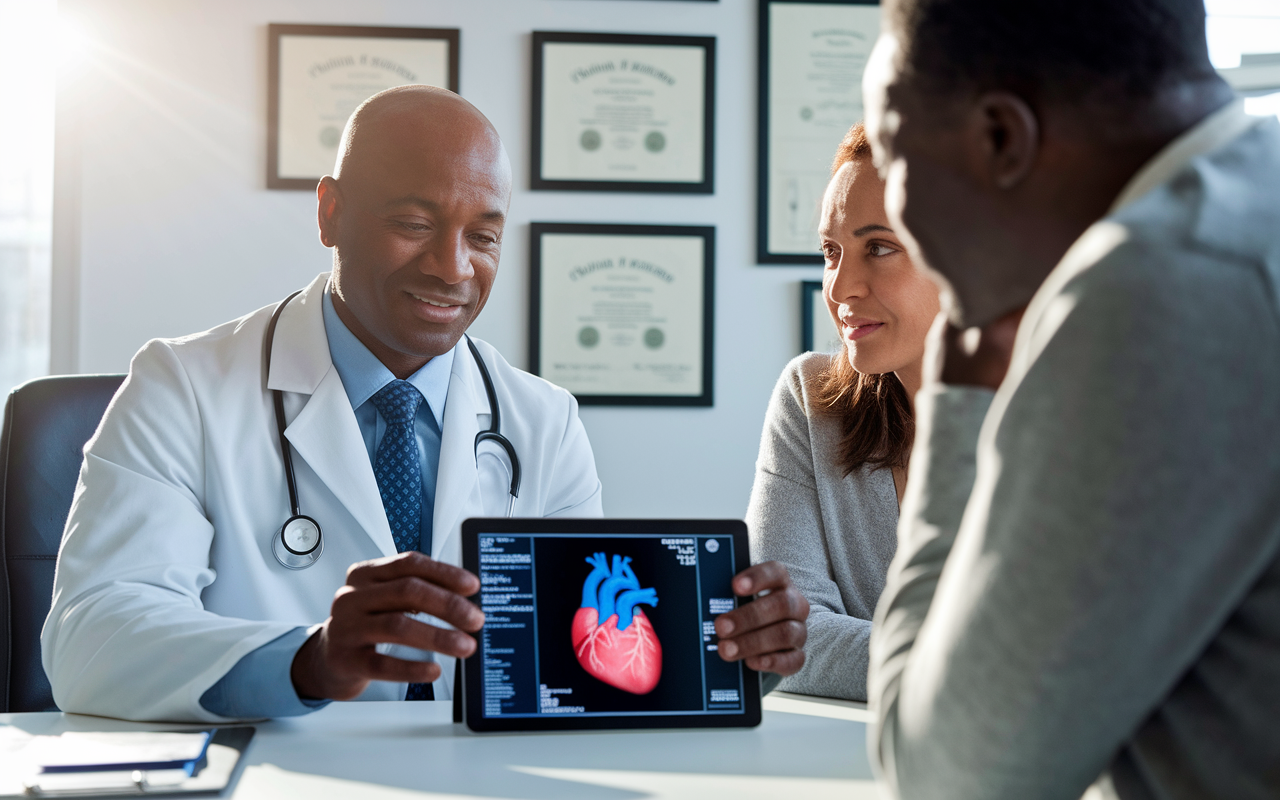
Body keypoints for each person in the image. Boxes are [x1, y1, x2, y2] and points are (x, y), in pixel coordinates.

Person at [42, 86, 808, 723]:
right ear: (330, 213)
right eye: (414, 225)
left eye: (483, 236)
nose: (452, 267)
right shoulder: (182, 388)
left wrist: (731, 653)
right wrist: (307, 660)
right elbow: (92, 638)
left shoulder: (541, 422)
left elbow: (573, 665)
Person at [861, 0, 1280, 797]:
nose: (907, 231)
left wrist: (957, 405)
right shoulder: (1251, 212)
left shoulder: (1160, 287)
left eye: (895, 153)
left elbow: (950, 778)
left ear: (1000, 140)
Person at [746, 122, 938, 701]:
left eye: (878, 248)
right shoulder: (812, 400)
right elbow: (780, 643)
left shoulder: (1059, 420)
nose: (840, 287)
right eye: (832, 252)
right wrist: (963, 672)